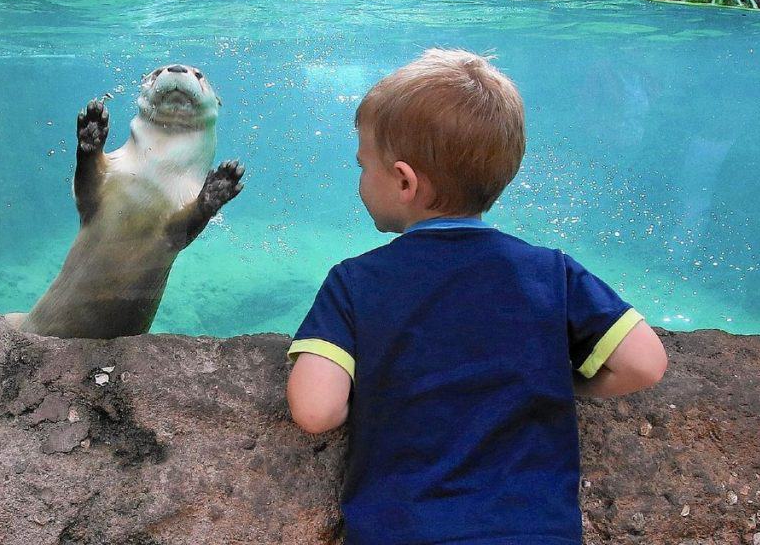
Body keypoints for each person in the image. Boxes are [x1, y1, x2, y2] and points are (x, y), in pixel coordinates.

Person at [285, 48, 668, 545]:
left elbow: (316, 411)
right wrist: (566, 385)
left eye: (363, 165)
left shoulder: (356, 282)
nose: (359, 179)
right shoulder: (550, 272)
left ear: (404, 180)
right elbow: (646, 364)